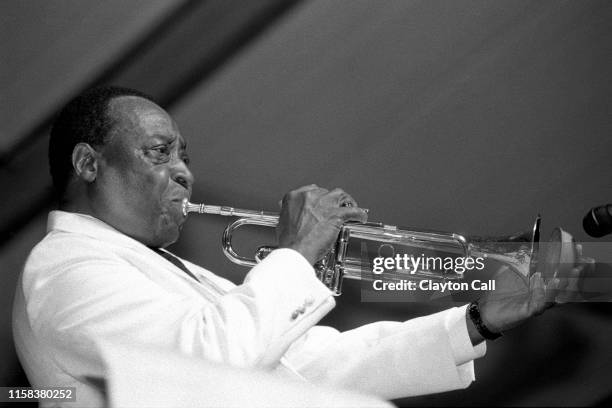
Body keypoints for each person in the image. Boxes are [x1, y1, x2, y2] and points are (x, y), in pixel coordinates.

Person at [12, 86, 585, 407]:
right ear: (88, 162)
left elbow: (309, 368)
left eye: (185, 155)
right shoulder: (63, 267)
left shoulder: (153, 267)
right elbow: (193, 368)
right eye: (159, 152)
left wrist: (475, 322)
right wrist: (295, 253)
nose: (184, 172)